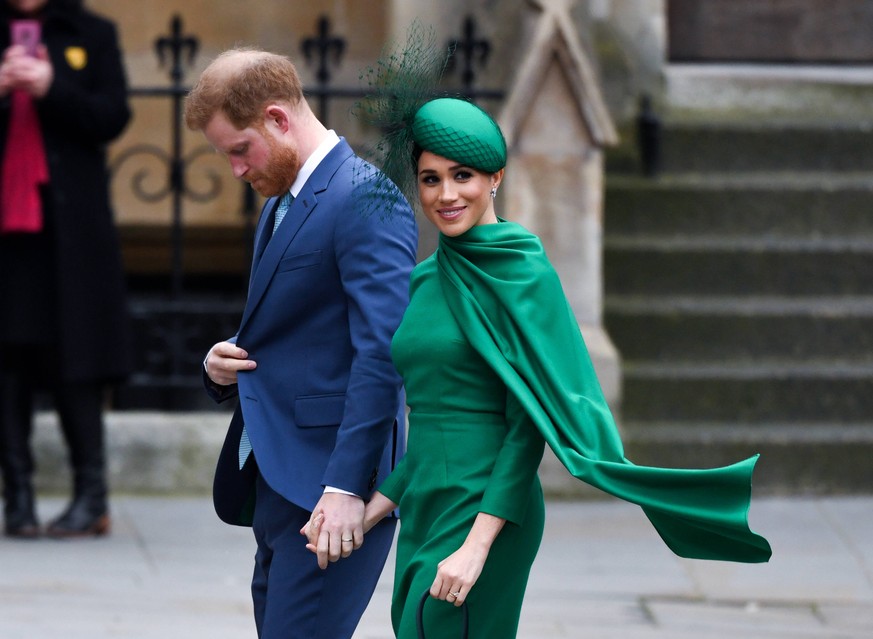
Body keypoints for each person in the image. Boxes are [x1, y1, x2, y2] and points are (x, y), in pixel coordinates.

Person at [306, 97, 772, 638]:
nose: (446, 194)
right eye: (430, 179)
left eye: (463, 176)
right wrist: (371, 510)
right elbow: (432, 425)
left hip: (490, 509)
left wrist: (477, 546)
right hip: (426, 503)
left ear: (496, 177)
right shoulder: (425, 278)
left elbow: (526, 427)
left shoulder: (522, 270)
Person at [183, 48, 418, 639]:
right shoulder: (284, 201)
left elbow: (381, 355)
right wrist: (222, 364)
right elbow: (303, 330)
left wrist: (343, 490)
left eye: (240, 149)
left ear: (278, 118)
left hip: (330, 494)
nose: (236, 169)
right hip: (279, 481)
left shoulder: (367, 200)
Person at [0, 0, 131, 538]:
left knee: (77, 358)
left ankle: (91, 497)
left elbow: (112, 116)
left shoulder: (91, 32)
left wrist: (54, 86)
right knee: (6, 360)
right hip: (7, 233)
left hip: (70, 233)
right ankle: (19, 500)